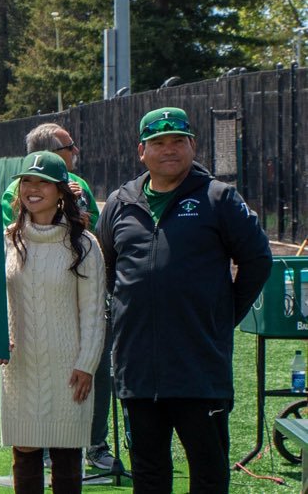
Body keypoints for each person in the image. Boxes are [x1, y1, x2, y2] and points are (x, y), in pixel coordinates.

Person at [98, 107, 271, 493]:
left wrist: (221, 314)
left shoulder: (219, 198)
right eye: (159, 143)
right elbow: (106, 270)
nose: (169, 150)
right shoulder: (120, 203)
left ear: (193, 145)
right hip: (138, 368)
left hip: (198, 368)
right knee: (149, 473)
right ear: (142, 151)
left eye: (178, 141)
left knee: (208, 473)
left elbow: (258, 261)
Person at [0, 151, 105, 493]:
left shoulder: (84, 245)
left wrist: (87, 364)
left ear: (62, 191)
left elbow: (93, 311)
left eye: (44, 181)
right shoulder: (6, 241)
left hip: (70, 370)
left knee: (67, 459)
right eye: (27, 180)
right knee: (24, 458)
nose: (33, 188)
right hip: (21, 367)